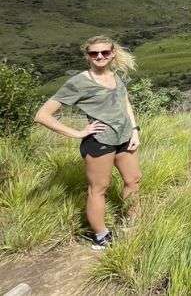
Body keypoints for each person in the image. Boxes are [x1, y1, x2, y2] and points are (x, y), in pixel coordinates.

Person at [34, 35, 142, 250]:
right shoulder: (79, 82)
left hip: (124, 138)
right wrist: (77, 133)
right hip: (100, 142)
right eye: (94, 53)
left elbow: (124, 102)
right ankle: (101, 236)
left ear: (112, 54)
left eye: (104, 52)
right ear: (87, 56)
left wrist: (134, 130)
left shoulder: (116, 75)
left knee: (133, 180)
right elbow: (42, 115)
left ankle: (133, 224)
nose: (99, 56)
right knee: (99, 188)